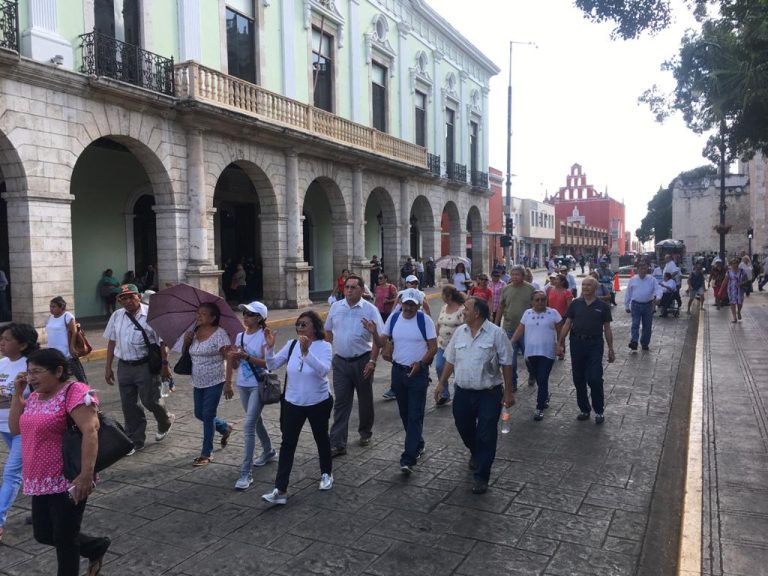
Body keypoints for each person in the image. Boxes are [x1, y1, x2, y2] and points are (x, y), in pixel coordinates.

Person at [9, 348, 110, 576]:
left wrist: (86, 475)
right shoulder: (34, 396)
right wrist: (18, 394)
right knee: (43, 533)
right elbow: (16, 429)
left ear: (58, 371)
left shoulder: (74, 392)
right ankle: (95, 546)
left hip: (68, 477)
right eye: (29, 372)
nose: (31, 377)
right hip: (39, 477)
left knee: (64, 538)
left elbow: (91, 431)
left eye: (37, 372)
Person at [434, 296, 514, 492]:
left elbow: (507, 363)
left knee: (486, 434)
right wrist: (441, 383)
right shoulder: (459, 332)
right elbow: (450, 360)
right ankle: (476, 451)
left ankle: (482, 476)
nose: (463, 312)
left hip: (489, 393)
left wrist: (509, 392)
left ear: (477, 313)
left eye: (467, 309)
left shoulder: (496, 334)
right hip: (462, 392)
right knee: (464, 427)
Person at [262, 311, 334, 505]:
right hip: (293, 402)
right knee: (288, 444)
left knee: (321, 438)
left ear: (315, 327)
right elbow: (272, 365)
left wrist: (306, 353)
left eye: (304, 324)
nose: (300, 328)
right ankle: (280, 489)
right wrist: (269, 349)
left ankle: (326, 473)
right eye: (298, 324)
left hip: (318, 401)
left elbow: (323, 370)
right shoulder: (292, 344)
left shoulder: (324, 346)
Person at [103, 284, 175, 452]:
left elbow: (163, 343)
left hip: (145, 365)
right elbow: (112, 341)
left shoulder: (151, 315)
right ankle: (135, 440)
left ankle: (165, 420)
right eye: (123, 298)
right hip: (125, 366)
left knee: (150, 400)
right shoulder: (116, 316)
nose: (127, 301)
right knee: (129, 405)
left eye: (131, 297)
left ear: (139, 297)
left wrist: (165, 365)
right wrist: (108, 367)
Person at [324, 274, 384, 457]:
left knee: (365, 400)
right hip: (341, 362)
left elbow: (381, 341)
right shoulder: (336, 307)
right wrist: (330, 351)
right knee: (341, 402)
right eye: (346, 287)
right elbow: (327, 330)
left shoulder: (370, 310)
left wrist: (372, 361)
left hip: (363, 361)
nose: (348, 290)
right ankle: (337, 443)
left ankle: (365, 432)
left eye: (353, 287)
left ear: (361, 290)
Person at [380, 288, 437, 475]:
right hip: (398, 372)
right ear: (401, 303)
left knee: (414, 414)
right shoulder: (394, 318)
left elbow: (433, 347)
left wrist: (421, 363)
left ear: (419, 305)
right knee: (404, 413)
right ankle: (418, 443)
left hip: (418, 374)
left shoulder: (424, 321)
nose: (409, 308)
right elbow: (382, 341)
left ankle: (408, 458)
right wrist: (373, 333)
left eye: (413, 304)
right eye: (406, 304)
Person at [226, 301, 275, 489]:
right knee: (256, 421)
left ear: (259, 318)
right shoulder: (240, 336)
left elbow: (267, 364)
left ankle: (245, 473)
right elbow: (236, 364)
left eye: (249, 314)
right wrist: (231, 361)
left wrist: (246, 356)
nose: (245, 317)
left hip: (259, 385)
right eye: (244, 313)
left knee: (248, 426)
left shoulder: (265, 336)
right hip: (243, 384)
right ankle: (269, 450)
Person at [0, 323, 39, 542]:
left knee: (11, 474)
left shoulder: (31, 367)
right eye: (1, 338)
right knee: (29, 468)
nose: (2, 343)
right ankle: (43, 506)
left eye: (7, 339)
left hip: (24, 428)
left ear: (23, 344)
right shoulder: (2, 363)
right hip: (4, 426)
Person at [557, 277, 615, 424]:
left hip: (595, 343)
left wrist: (611, 349)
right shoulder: (576, 304)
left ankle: (599, 410)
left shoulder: (602, 306)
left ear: (595, 288)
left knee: (595, 378)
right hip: (577, 342)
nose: (586, 287)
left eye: (589, 285)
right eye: (583, 285)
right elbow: (567, 323)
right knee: (578, 378)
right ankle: (584, 409)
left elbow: (607, 328)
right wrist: (560, 342)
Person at [183, 302, 234, 466]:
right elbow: (188, 354)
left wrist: (228, 383)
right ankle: (225, 427)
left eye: (203, 314)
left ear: (213, 317)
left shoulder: (220, 335)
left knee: (208, 415)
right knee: (199, 413)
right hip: (197, 380)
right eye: (198, 313)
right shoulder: (195, 331)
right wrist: (186, 341)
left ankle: (207, 453)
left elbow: (229, 358)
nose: (198, 316)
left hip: (215, 380)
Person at [510, 291, 560, 420]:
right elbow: (520, 329)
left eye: (543, 299)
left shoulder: (553, 313)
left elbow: (560, 330)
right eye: (537, 300)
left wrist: (560, 345)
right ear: (532, 301)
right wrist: (511, 342)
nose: (540, 302)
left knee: (542, 378)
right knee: (539, 378)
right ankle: (544, 397)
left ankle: (539, 408)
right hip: (531, 352)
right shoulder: (527, 313)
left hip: (547, 352)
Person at [494, 265, 535, 390]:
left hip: (526, 330)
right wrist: (496, 324)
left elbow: (536, 307)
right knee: (511, 359)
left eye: (517, 274)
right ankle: (512, 383)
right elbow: (501, 307)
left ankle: (532, 373)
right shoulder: (506, 289)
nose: (515, 277)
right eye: (513, 274)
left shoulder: (530, 289)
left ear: (523, 276)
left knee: (529, 357)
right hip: (509, 328)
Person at [434, 286, 466, 405]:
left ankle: (459, 394)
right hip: (442, 345)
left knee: (457, 371)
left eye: (443, 294)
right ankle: (445, 393)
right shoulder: (443, 307)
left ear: (449, 296)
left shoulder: (461, 310)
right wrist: (435, 337)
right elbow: (439, 323)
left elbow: (465, 327)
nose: (441, 297)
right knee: (439, 367)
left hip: (457, 347)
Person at [46, 296, 88, 384]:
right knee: (59, 377)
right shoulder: (51, 318)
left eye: (54, 306)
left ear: (61, 307)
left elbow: (74, 332)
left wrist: (72, 347)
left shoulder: (67, 316)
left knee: (80, 376)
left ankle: (86, 393)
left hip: (67, 353)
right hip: (54, 353)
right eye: (50, 306)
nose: (51, 309)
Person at [624, 262, 661, 351]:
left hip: (648, 305)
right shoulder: (633, 280)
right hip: (635, 304)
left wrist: (658, 297)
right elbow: (628, 293)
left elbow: (658, 289)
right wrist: (626, 305)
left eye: (644, 269)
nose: (643, 271)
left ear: (647, 269)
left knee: (647, 325)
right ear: (638, 270)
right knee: (635, 324)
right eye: (641, 269)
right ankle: (634, 342)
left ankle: (645, 343)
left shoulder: (652, 280)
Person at [727, 257, 748, 322]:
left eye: (735, 263)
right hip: (731, 289)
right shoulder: (728, 272)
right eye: (733, 263)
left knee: (740, 303)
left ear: (738, 264)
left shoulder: (742, 271)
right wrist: (720, 291)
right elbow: (725, 281)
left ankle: (738, 311)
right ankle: (734, 318)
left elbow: (747, 280)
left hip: (740, 289)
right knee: (732, 303)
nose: (734, 264)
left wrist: (741, 283)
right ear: (731, 264)